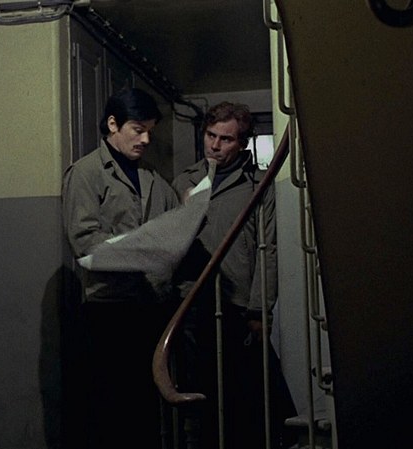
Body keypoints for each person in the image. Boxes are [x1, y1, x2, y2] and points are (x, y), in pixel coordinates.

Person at [171, 101, 295, 449]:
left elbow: (268, 248)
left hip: (238, 304)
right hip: (192, 300)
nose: (214, 145)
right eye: (211, 135)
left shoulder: (257, 184)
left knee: (246, 394)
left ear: (242, 143)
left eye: (225, 139)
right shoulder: (184, 181)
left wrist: (259, 308)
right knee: (201, 391)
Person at [61, 87, 180, 449]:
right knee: (111, 408)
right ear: (113, 124)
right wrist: (139, 249)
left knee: (145, 408)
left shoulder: (151, 177)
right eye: (137, 130)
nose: (145, 140)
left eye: (149, 131)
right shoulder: (86, 173)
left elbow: (171, 226)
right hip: (109, 308)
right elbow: (84, 241)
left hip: (150, 304)